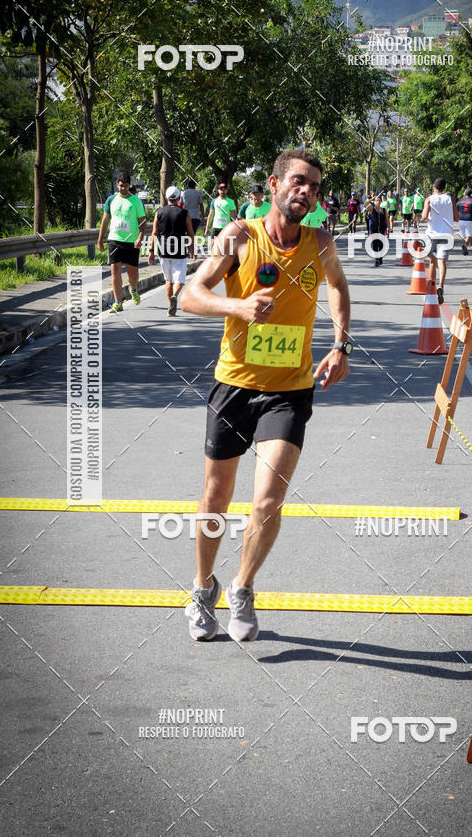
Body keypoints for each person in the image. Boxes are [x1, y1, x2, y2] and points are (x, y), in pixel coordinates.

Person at [180, 148, 351, 642]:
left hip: (289, 391)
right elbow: (190, 294)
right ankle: (202, 587)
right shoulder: (239, 236)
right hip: (234, 383)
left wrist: (340, 344)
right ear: (274, 185)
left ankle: (243, 586)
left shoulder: (321, 243)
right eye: (298, 181)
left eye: (314, 187)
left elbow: (338, 287)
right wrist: (237, 306)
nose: (306, 192)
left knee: (269, 499)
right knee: (216, 496)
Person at [97, 171, 147, 313]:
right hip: (115, 239)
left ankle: (133, 289)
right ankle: (118, 302)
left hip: (132, 241)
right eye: (120, 186)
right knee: (115, 270)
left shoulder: (136, 201)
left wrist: (140, 237)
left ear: (129, 185)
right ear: (116, 185)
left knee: (132, 272)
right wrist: (100, 239)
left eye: (125, 186)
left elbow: (143, 222)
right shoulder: (111, 200)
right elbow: (105, 221)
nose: (123, 188)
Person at [148, 186, 195, 316]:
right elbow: (190, 233)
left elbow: (154, 233)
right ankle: (175, 295)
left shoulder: (159, 212)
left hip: (163, 250)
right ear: (179, 198)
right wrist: (192, 249)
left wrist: (151, 251)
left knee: (168, 280)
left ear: (166, 198)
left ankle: (170, 306)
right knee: (179, 280)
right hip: (179, 249)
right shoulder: (184, 213)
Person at [421, 177, 458, 305]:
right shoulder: (450, 199)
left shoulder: (429, 199)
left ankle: (432, 286)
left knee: (432, 262)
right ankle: (441, 285)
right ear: (444, 187)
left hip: (432, 234)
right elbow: (457, 218)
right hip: (447, 234)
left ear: (434, 186)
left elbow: (424, 217)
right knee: (442, 261)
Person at [456, 188, 472, 255]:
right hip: (469, 220)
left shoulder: (460, 201)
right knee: (469, 235)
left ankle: (465, 249)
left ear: (464, 194)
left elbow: (455, 209)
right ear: (471, 194)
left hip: (460, 220)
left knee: (463, 235)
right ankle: (465, 245)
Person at [367, 195, 388, 267]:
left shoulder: (384, 210)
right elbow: (365, 204)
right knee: (375, 244)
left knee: (381, 244)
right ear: (374, 202)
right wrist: (371, 199)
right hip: (374, 229)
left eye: (379, 200)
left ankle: (380, 258)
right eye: (376, 200)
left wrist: (389, 228)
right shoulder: (371, 209)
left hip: (382, 229)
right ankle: (376, 259)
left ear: (381, 202)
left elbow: (387, 219)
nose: (378, 202)